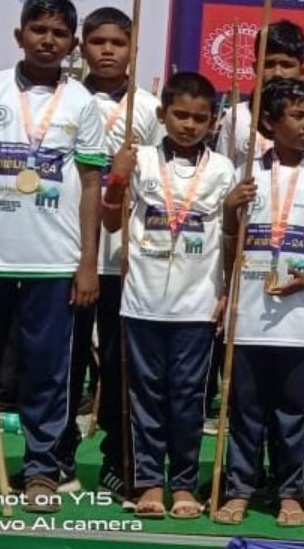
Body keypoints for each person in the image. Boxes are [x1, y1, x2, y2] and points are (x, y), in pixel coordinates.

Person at [0, 0, 106, 512]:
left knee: (47, 371)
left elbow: (92, 186)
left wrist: (87, 264)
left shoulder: (82, 103)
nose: (47, 40)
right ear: (19, 35)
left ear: (72, 44)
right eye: (38, 30)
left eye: (59, 33)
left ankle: (41, 470)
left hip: (54, 261)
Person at [214, 77, 304, 527]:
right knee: (246, 410)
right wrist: (229, 209)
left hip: (301, 316)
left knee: (293, 413)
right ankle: (239, 488)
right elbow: (229, 243)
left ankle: (289, 492)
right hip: (249, 314)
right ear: (269, 123)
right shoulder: (245, 172)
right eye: (297, 116)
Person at [102, 72, 240, 519]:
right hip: (142, 301)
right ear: (162, 114)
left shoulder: (222, 169)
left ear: (213, 121)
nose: (189, 125)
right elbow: (110, 223)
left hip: (197, 303)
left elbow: (231, 236)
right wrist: (118, 179)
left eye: (200, 118)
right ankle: (147, 481)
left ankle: (182, 482)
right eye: (180, 115)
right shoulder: (139, 158)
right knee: (144, 396)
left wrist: (227, 289)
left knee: (187, 397)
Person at [59, 6, 163, 496]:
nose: (106, 50)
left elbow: (163, 182)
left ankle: (118, 457)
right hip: (70, 250)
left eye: (117, 43)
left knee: (122, 365)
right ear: (81, 47)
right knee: (67, 360)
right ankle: (56, 455)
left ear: (132, 50)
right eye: (97, 41)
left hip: (125, 255)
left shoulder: (149, 109)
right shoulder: (64, 100)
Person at [218, 20, 304, 169]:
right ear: (255, 68)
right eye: (269, 64)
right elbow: (224, 173)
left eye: (286, 65)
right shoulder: (236, 116)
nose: (277, 73)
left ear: (302, 71)